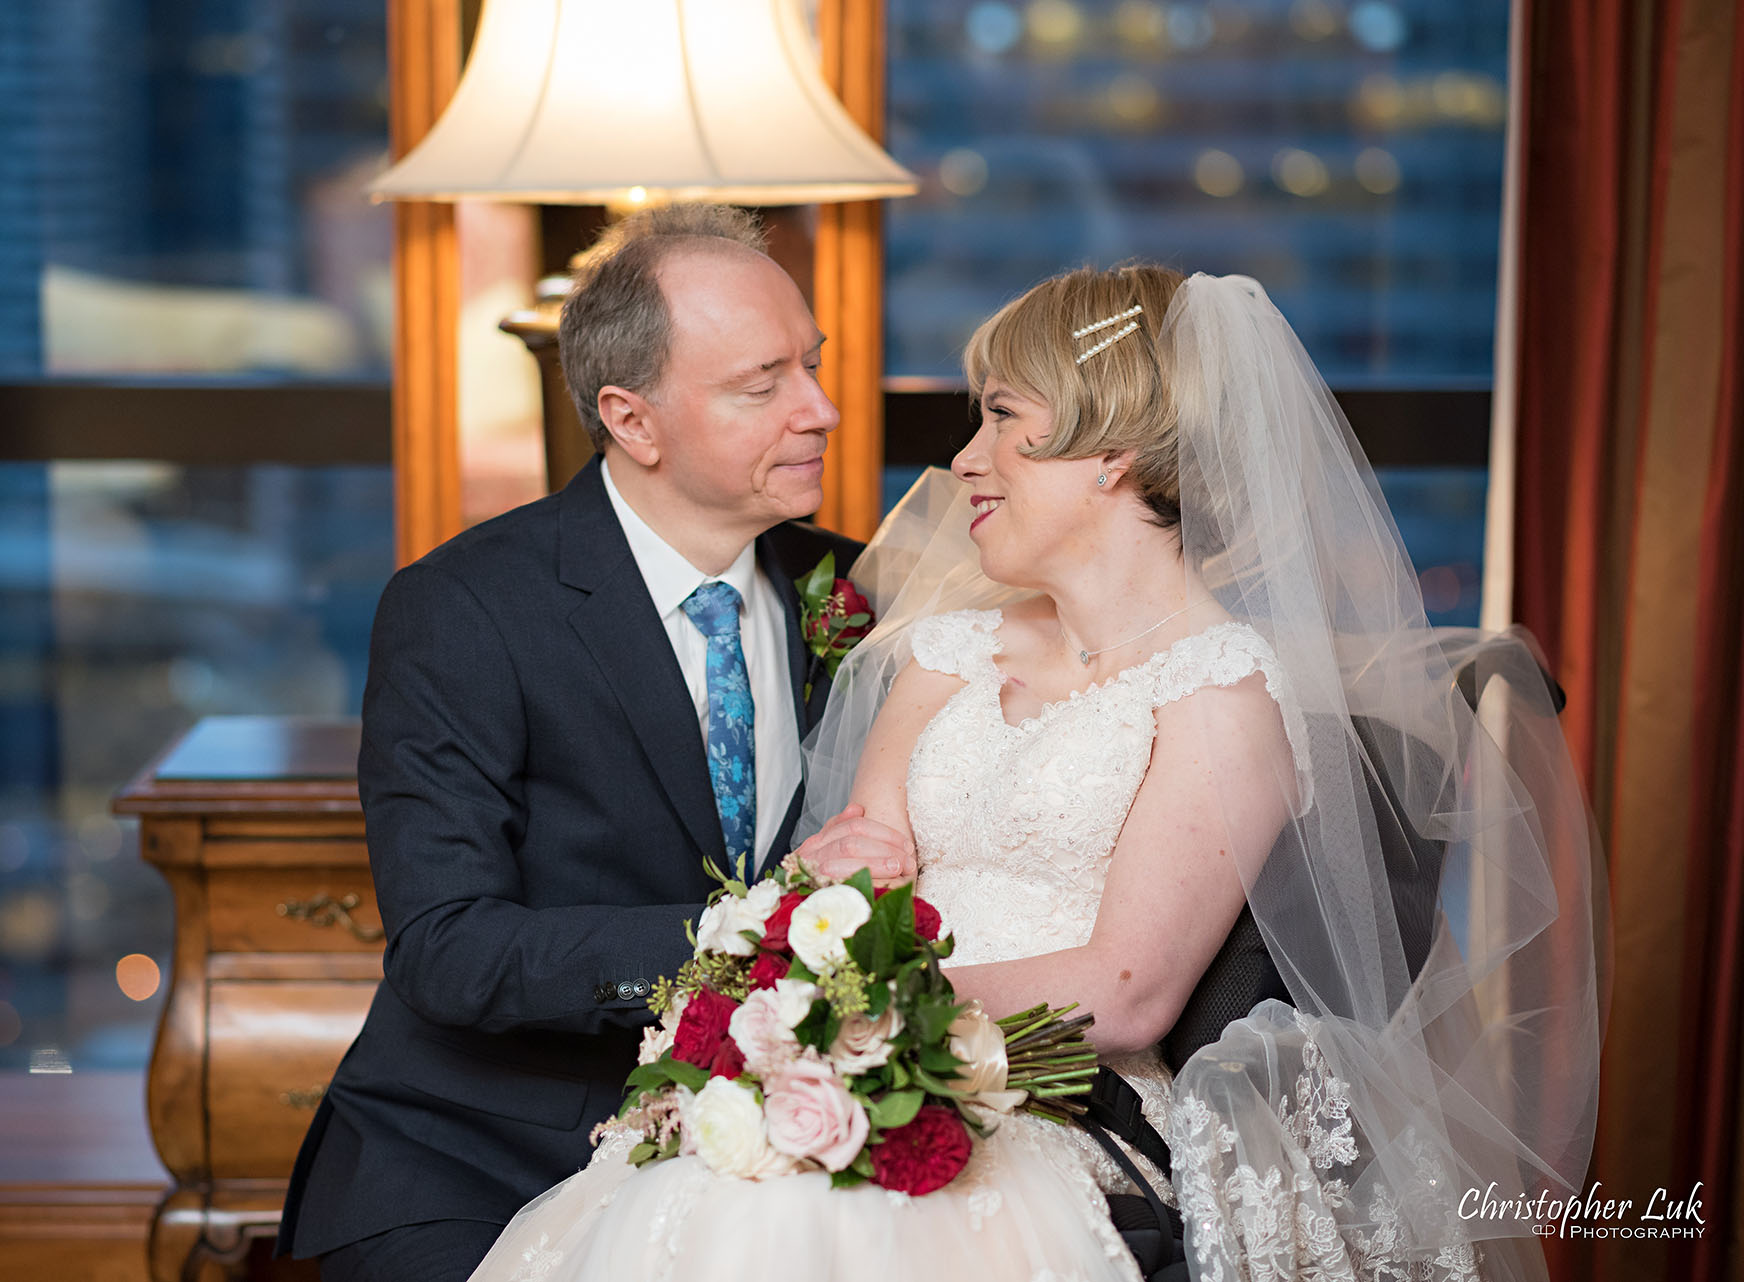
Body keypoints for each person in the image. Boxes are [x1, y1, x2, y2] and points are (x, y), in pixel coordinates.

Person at [463, 264, 1606, 1280]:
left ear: (1113, 451)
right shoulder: (943, 655)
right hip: (862, 1062)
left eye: (1004, 419)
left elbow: (1129, 990)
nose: (964, 460)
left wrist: (860, 1010)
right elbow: (851, 871)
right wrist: (818, 919)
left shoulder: (1219, 692)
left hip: (1053, 1091)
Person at [275, 204, 909, 1280]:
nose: (823, 410)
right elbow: (451, 949)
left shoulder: (862, 593)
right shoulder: (462, 609)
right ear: (633, 418)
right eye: (763, 386)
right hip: (487, 1143)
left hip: (779, 1131)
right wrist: (746, 928)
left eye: (814, 365)